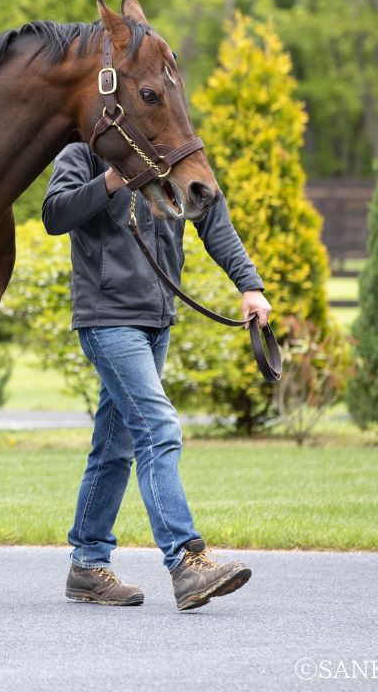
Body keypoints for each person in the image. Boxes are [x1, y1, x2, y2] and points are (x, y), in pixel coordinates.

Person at [41, 142, 272, 611]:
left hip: (157, 318)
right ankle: (187, 561)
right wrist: (111, 180)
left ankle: (87, 563)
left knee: (114, 445)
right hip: (107, 320)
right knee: (157, 427)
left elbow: (211, 216)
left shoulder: (173, 152)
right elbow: (54, 215)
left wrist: (248, 285)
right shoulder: (82, 152)